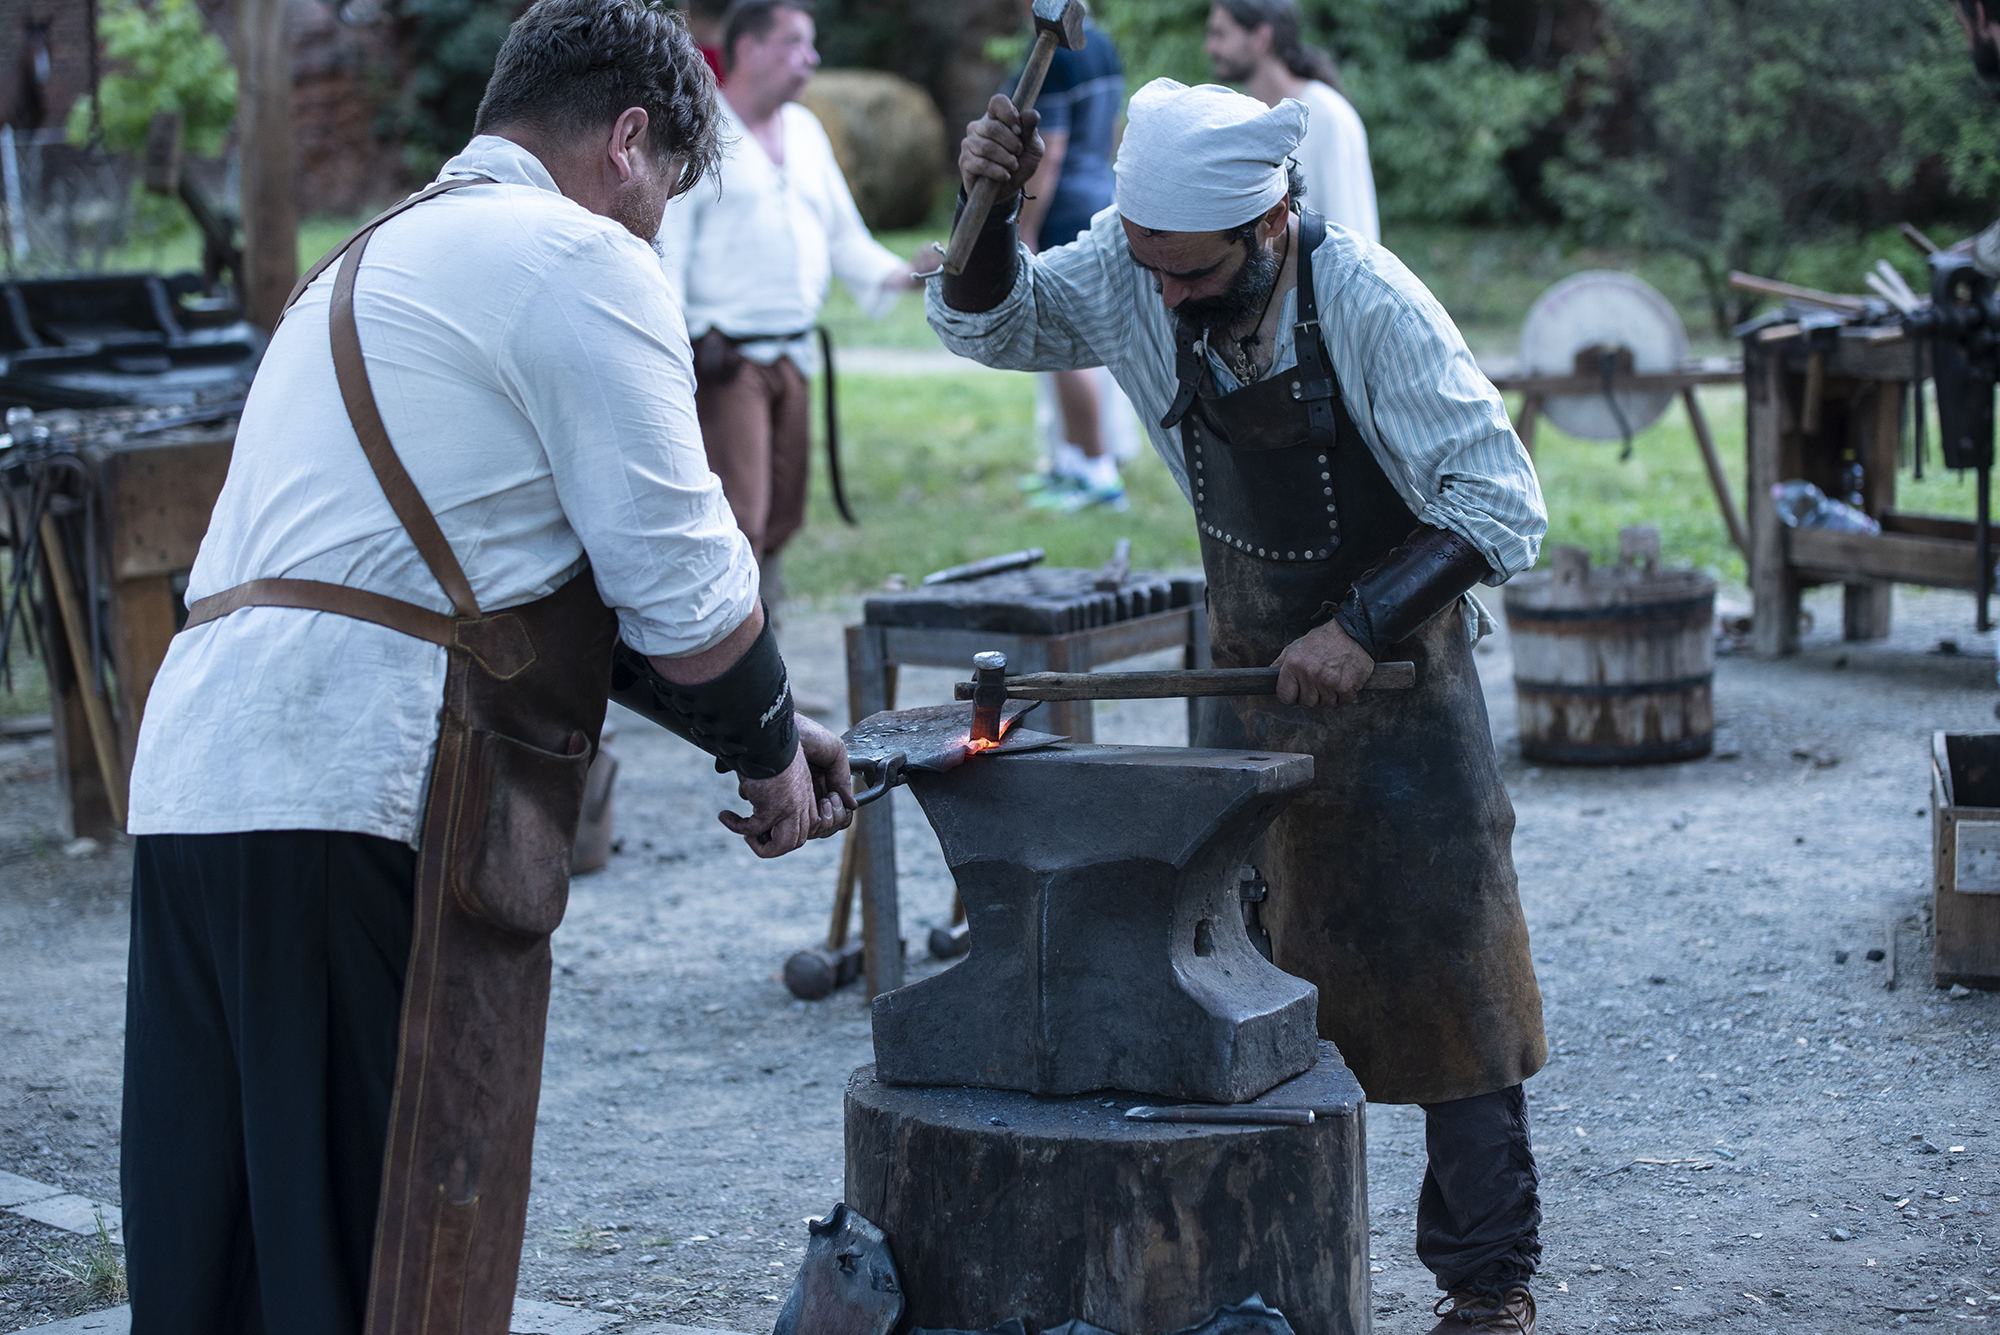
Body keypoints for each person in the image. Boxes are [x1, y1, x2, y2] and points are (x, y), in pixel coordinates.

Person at [120, 2, 853, 1329]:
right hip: (355, 784)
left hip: (196, 779)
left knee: (219, 1267)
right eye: (669, 192)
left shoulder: (360, 264)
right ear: (630, 141)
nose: (658, 228)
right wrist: (763, 750)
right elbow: (690, 592)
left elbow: (514, 589)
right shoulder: (575, 256)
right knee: (378, 1263)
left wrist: (771, 725)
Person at [931, 79, 1548, 1335]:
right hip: (1249, 686)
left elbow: (1501, 502)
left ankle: (1487, 1289)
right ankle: (1252, 1281)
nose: (1162, 299)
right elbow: (992, 326)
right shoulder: (1130, 264)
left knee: (1450, 990)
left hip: (1398, 694)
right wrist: (989, 207)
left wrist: (1360, 625)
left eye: (1191, 278)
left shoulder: (1367, 302)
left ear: (1266, 227)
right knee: (1229, 980)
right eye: (1148, 272)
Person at [657, 0, 922, 598]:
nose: (813, 58)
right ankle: (733, 676)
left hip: (795, 356)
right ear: (748, 50)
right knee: (740, 521)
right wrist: (674, 355)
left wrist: (909, 274)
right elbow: (667, 250)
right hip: (729, 361)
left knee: (781, 522)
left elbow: (845, 238)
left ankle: (768, 661)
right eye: (796, 43)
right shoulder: (702, 131)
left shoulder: (805, 130)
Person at [1012, 0, 1133, 512]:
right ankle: (1068, 461)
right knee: (1061, 339)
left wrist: (1025, 228)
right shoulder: (1100, 43)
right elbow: (1112, 131)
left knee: (1065, 343)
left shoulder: (1053, 52)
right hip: (1098, 193)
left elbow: (1051, 148)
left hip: (1061, 208)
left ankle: (1098, 472)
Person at [1205, 0, 1379, 243]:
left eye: (1220, 33)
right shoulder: (1244, 119)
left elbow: (1357, 239)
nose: (1210, 47)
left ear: (1261, 38)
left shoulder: (1329, 116)